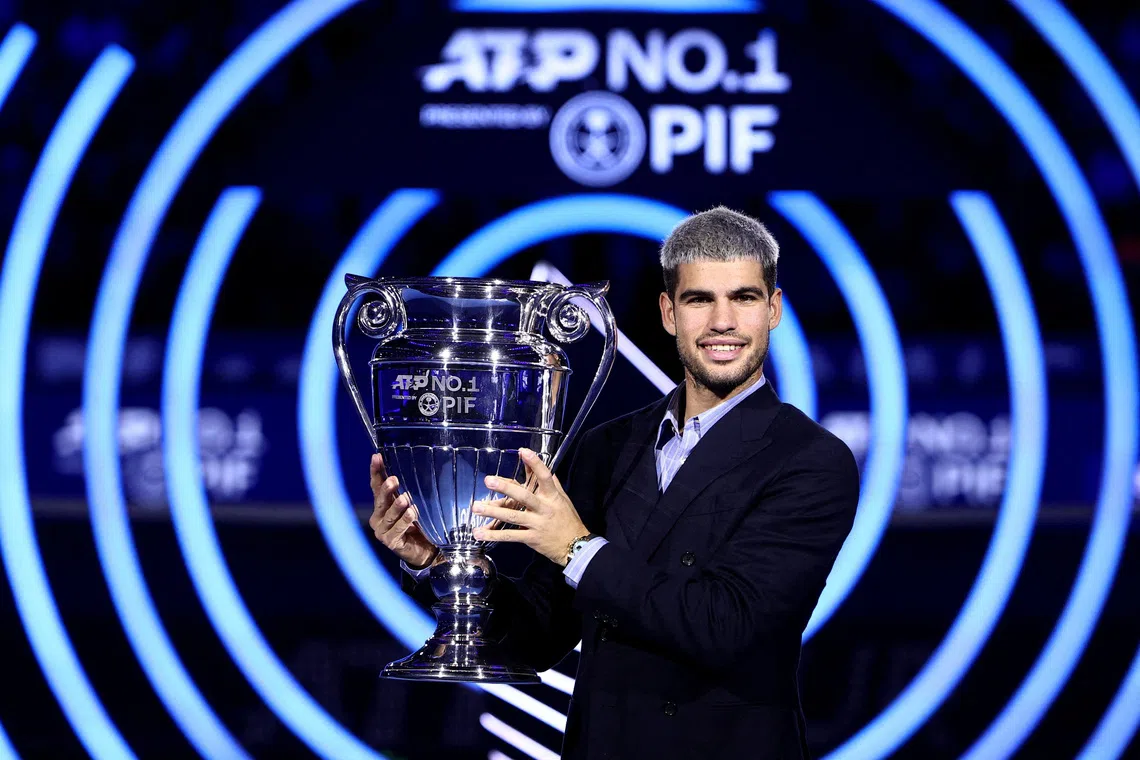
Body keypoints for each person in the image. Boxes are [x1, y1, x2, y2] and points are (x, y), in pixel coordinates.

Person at [368, 206, 860, 759]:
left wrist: (577, 549)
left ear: (773, 310)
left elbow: (729, 629)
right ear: (669, 313)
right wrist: (437, 560)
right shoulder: (605, 446)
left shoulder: (811, 461)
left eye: (743, 298)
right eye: (701, 299)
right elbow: (535, 639)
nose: (723, 321)